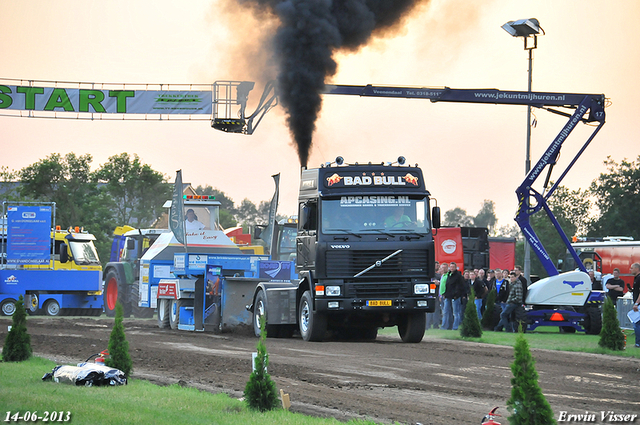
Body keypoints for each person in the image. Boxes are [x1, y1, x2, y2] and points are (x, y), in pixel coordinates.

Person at [444, 262, 466, 330]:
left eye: (453, 267)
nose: (452, 268)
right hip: (448, 296)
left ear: (456, 267)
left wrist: (457, 295)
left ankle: (455, 327)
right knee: (446, 312)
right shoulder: (449, 275)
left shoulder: (458, 276)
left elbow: (461, 286)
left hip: (455, 297)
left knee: (456, 313)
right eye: (451, 267)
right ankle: (447, 326)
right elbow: (447, 285)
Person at [630, 262, 640, 348]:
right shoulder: (636, 278)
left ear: (637, 269)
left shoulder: (639, 278)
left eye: (631, 268)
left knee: (636, 323)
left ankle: (638, 343)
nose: (630, 270)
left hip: (639, 305)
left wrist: (636, 303)